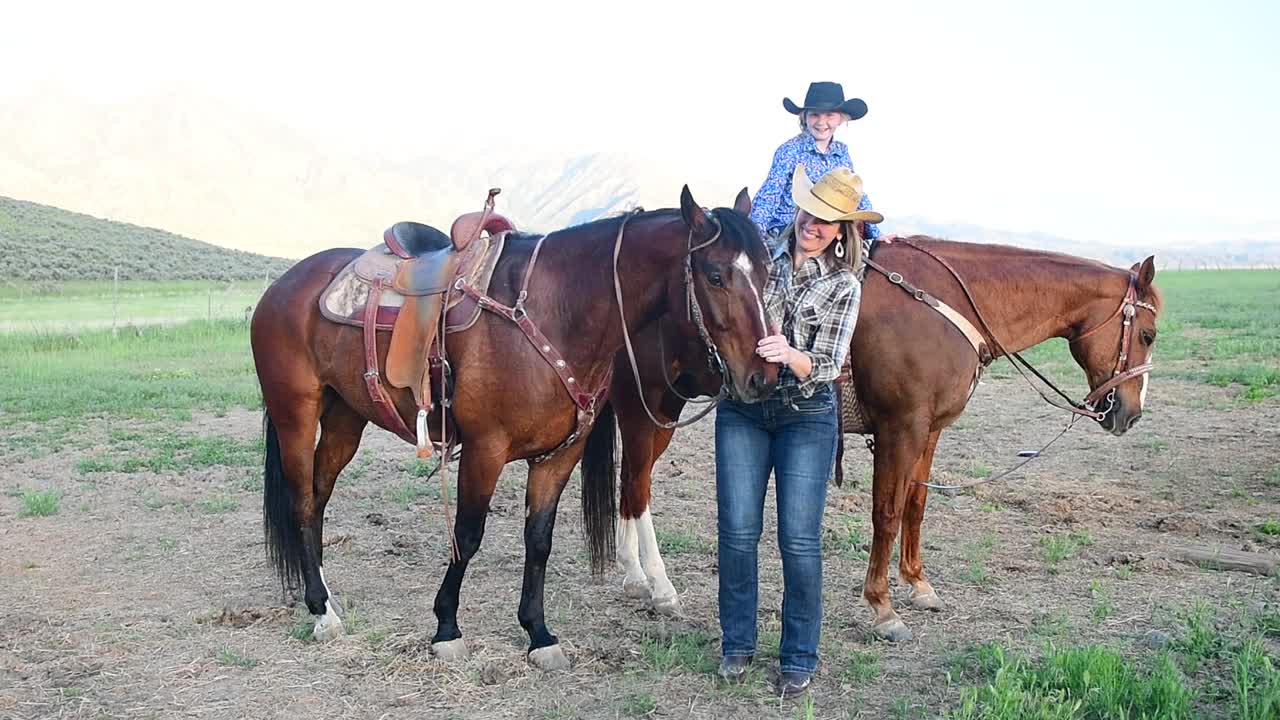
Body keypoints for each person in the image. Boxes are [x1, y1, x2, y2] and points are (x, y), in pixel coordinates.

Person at [716, 165, 883, 697]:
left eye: (828, 221)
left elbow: (830, 363)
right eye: (810, 213)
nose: (814, 225)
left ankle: (798, 655)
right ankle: (737, 644)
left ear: (842, 231)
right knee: (738, 534)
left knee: (799, 540)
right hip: (742, 409)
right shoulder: (760, 253)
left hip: (805, 416)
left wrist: (789, 354)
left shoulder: (844, 284)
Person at [749, 82, 881, 257]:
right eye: (814, 115)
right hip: (789, 227)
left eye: (829, 115)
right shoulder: (790, 150)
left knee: (858, 261)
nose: (821, 122)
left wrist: (877, 234)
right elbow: (770, 194)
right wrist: (754, 235)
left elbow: (854, 194)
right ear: (804, 117)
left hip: (826, 230)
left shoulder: (842, 153)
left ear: (841, 118)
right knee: (779, 266)